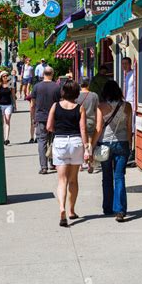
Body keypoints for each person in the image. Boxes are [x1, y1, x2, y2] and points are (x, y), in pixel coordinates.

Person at [47, 81, 91, 226]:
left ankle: (62, 209)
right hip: (76, 142)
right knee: (73, 180)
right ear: (76, 93)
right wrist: (87, 148)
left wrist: (58, 131)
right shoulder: (80, 108)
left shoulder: (55, 106)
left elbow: (49, 126)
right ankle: (71, 210)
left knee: (62, 181)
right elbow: (83, 130)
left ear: (63, 92)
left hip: (60, 142)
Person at [94, 79, 132, 222]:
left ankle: (107, 207)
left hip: (105, 144)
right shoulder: (127, 106)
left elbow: (98, 128)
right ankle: (120, 210)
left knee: (107, 177)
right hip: (122, 144)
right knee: (119, 176)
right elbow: (129, 128)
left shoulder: (101, 106)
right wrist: (130, 144)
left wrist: (91, 145)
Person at [31, 66, 61, 173]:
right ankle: (53, 163)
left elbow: (32, 104)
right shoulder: (57, 87)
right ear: (52, 74)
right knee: (54, 140)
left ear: (43, 74)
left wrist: (33, 117)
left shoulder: (37, 87)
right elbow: (60, 103)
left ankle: (43, 167)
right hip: (54, 118)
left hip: (41, 117)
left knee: (41, 141)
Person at [76, 78, 99, 173]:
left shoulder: (76, 96)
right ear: (88, 85)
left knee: (81, 142)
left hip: (78, 121)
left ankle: (80, 164)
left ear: (81, 85)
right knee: (90, 143)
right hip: (91, 121)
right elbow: (97, 110)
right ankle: (90, 164)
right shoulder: (94, 96)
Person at [121, 57, 136, 167]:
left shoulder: (133, 75)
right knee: (127, 127)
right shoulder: (125, 76)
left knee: (131, 127)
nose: (124, 66)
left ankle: (131, 150)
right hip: (126, 103)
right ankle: (128, 149)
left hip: (133, 103)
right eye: (123, 64)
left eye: (126, 63)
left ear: (130, 64)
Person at [0, 71, 16, 145]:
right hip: (0, 105)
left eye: (7, 75)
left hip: (8, 105)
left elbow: (13, 95)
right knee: (1, 122)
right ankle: (2, 138)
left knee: (7, 121)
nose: (5, 77)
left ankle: (6, 139)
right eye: (4, 76)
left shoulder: (10, 84)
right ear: (1, 77)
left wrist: (14, 104)